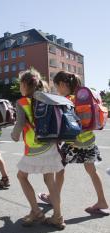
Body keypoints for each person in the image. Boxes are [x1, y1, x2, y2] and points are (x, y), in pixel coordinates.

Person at [38, 71, 109, 216]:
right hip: (89, 141)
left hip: (73, 143)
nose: (57, 90)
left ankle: (53, 197)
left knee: (59, 168)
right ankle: (102, 201)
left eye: (57, 87)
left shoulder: (67, 100)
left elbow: (63, 123)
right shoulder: (83, 98)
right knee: (92, 171)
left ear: (63, 84)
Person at [11, 68, 65, 229]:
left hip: (34, 148)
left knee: (21, 176)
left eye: (20, 84)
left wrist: (14, 136)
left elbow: (20, 124)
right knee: (50, 181)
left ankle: (35, 211)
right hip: (51, 145)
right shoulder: (48, 99)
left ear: (25, 85)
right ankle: (58, 216)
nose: (19, 88)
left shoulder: (22, 102)